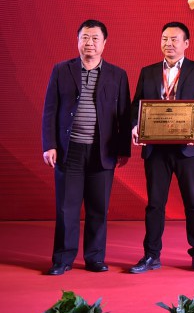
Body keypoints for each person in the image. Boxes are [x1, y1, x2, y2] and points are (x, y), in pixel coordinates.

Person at [41, 19, 131, 275]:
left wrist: (123, 149)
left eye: (95, 38)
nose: (89, 43)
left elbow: (124, 115)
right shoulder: (62, 70)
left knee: (98, 208)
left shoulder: (117, 74)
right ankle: (62, 259)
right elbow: (50, 110)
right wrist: (49, 145)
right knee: (66, 208)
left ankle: (95, 257)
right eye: (85, 38)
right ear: (77, 40)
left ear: (104, 43)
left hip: (102, 151)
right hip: (69, 149)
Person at [129, 22, 194, 273]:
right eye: (165, 39)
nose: (169, 44)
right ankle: (151, 255)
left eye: (175, 39)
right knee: (155, 204)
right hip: (156, 148)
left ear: (186, 43)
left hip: (189, 148)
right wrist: (135, 125)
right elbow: (136, 105)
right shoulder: (148, 71)